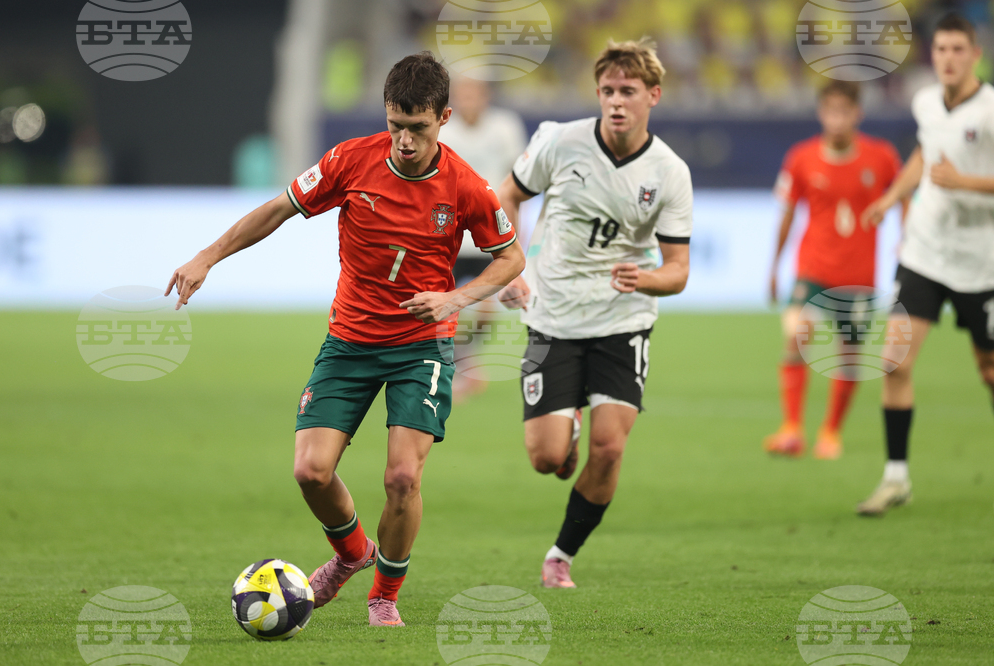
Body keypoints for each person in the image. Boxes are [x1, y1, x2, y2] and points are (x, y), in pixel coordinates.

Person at [166, 52, 524, 624]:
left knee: (403, 477)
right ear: (386, 113)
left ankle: (384, 595)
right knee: (310, 471)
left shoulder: (464, 186)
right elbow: (278, 209)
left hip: (421, 348)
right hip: (351, 340)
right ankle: (352, 553)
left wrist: (456, 299)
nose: (405, 141)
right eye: (396, 125)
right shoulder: (350, 161)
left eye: (419, 128)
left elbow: (510, 257)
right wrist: (209, 255)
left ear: (445, 118)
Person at [497, 38, 692, 588]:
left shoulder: (670, 173)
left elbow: (678, 270)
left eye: (628, 91)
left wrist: (646, 277)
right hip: (551, 316)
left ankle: (561, 554)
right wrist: (512, 268)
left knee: (610, 449)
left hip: (622, 321)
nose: (616, 101)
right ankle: (567, 427)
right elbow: (503, 197)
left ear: (653, 95)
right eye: (607, 90)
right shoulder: (560, 143)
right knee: (546, 458)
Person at [857, 13, 994, 516]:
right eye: (940, 50)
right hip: (925, 252)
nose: (949, 59)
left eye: (958, 49)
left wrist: (968, 183)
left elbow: (955, 171)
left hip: (983, 261)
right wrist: (894, 195)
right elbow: (925, 151)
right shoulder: (924, 101)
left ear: (975, 54)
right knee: (894, 360)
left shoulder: (991, 110)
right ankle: (896, 477)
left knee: (989, 371)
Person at [764, 81, 903, 459]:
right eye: (831, 110)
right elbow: (787, 215)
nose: (837, 119)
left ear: (857, 113)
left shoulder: (882, 157)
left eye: (845, 110)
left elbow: (905, 192)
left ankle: (831, 432)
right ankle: (791, 428)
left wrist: (906, 237)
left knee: (849, 356)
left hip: (858, 274)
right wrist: (775, 267)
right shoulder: (801, 157)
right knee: (796, 334)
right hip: (812, 267)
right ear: (820, 112)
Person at [439, 77, 529, 401]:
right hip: (449, 236)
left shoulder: (505, 127)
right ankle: (451, 366)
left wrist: (517, 235)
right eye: (463, 93)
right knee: (442, 309)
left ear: (485, 95)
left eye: (474, 92)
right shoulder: (444, 131)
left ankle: (465, 361)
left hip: (490, 235)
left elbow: (515, 185)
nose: (469, 99)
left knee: (487, 312)